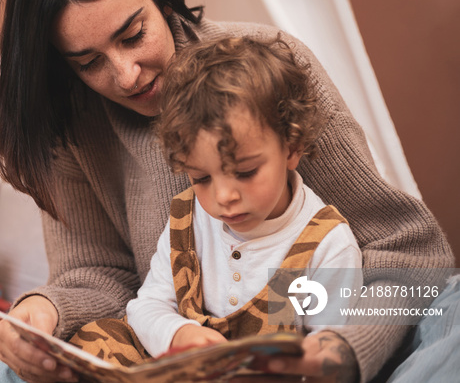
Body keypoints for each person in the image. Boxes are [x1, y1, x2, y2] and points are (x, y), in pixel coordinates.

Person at [0, 0, 454, 382]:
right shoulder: (72, 126)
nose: (126, 75)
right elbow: (102, 277)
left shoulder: (272, 68)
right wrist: (47, 310)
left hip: (322, 338)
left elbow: (405, 248)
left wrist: (344, 349)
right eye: (89, 63)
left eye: (133, 35)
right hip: (171, 345)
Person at [68, 35, 364, 368]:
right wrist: (179, 334)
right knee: (95, 339)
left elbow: (330, 355)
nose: (224, 198)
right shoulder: (188, 220)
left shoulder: (326, 245)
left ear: (292, 147)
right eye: (202, 178)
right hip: (187, 370)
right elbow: (146, 306)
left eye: (246, 172)